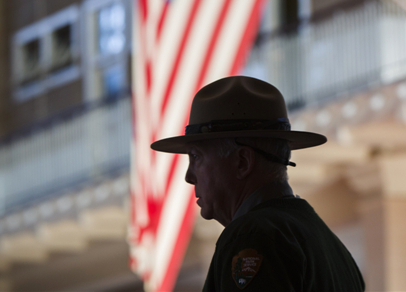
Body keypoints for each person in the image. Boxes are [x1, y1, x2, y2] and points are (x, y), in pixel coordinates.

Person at [151, 76, 365, 291]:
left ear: (242, 162)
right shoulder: (328, 244)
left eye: (196, 157)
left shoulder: (253, 235)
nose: (189, 176)